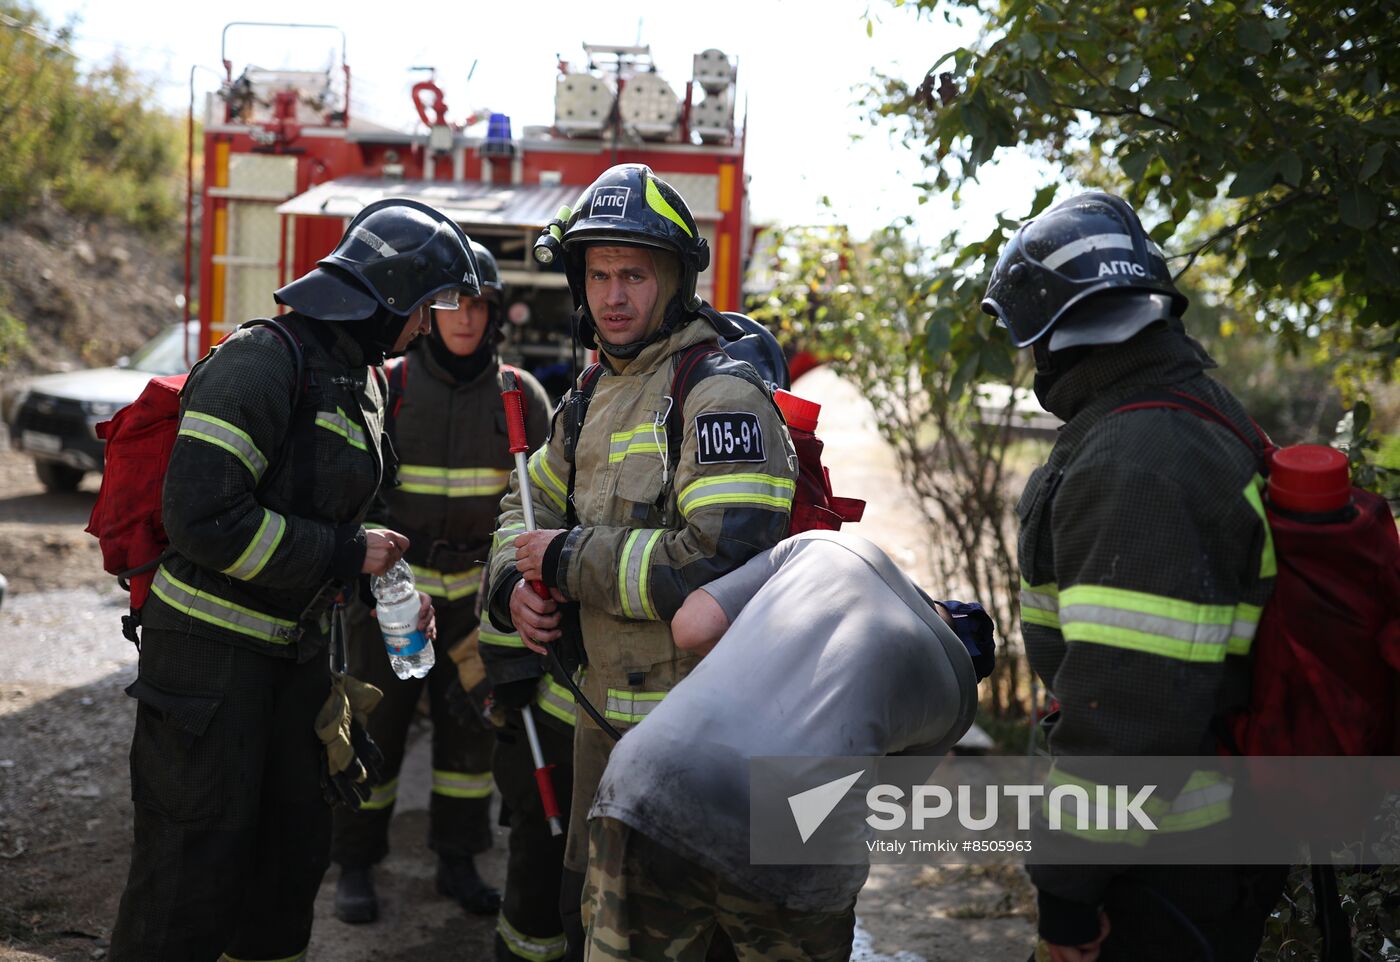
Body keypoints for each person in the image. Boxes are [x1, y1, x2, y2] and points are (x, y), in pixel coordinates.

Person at [109, 199, 480, 962]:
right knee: (192, 867)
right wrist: (346, 553)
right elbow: (202, 519)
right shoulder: (259, 361)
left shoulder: (365, 381)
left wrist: (387, 584)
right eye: (422, 308)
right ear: (384, 296)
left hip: (297, 656)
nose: (424, 327)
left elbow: (354, 508)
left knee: (289, 860)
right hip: (207, 663)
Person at [485, 163, 798, 957]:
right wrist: (508, 590)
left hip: (702, 749)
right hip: (604, 741)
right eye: (598, 274)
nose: (613, 295)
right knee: (596, 929)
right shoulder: (590, 395)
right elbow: (523, 510)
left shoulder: (718, 395)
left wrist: (562, 562)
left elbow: (720, 560)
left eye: (633, 274)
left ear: (676, 281)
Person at [981, 192, 1287, 962]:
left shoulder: (1135, 462)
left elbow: (1126, 714)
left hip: (1159, 865)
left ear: (1053, 335)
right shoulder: (1180, 413)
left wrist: (1069, 896)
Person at [581, 530, 981, 960]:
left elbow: (692, 627)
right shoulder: (958, 696)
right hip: (793, 847)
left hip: (649, 778)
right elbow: (882, 803)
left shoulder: (824, 547)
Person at [329, 242, 551, 924]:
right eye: (453, 303)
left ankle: (458, 858)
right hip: (397, 597)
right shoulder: (387, 383)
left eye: (479, 304)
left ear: (495, 315)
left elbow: (544, 501)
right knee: (375, 732)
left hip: (481, 603)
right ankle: (356, 863)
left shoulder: (521, 396)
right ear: (429, 309)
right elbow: (352, 490)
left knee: (471, 741)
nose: (466, 318)